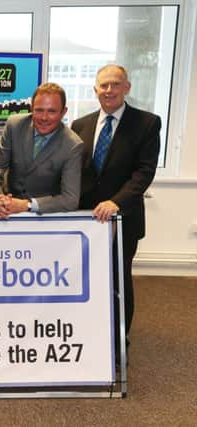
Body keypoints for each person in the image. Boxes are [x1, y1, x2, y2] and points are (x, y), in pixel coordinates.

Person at [71, 64, 161, 338]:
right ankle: (89, 338)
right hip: (85, 221)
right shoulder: (80, 125)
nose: (109, 90)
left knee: (117, 281)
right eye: (103, 85)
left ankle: (118, 343)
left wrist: (116, 202)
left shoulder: (146, 123)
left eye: (115, 84)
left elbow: (143, 172)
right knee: (84, 281)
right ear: (95, 89)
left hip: (122, 219)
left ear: (127, 88)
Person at [0, 82, 83, 218]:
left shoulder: (73, 145)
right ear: (31, 108)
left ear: (63, 112)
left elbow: (70, 199)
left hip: (43, 218)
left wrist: (27, 205)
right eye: (39, 110)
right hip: (4, 212)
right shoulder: (14, 125)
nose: (44, 117)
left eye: (52, 111)